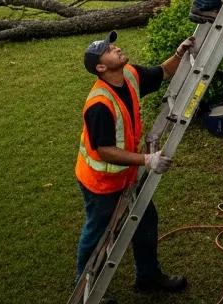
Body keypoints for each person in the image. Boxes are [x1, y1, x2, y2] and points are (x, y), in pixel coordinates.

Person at [74, 30, 194, 295]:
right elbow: (104, 151)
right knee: (98, 235)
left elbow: (162, 72)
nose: (116, 48)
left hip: (127, 175)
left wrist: (179, 54)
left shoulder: (129, 74)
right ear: (101, 67)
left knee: (145, 220)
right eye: (108, 49)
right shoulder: (99, 104)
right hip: (101, 183)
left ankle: (148, 279)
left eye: (113, 45)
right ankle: (83, 288)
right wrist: (146, 160)